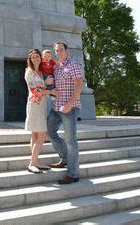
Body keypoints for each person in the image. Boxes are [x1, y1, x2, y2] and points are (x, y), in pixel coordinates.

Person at [47, 41, 83, 184]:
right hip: (56, 107)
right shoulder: (56, 68)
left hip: (70, 108)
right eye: (56, 50)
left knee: (70, 140)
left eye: (61, 50)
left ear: (66, 51)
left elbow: (79, 85)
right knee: (50, 132)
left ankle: (73, 174)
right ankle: (65, 158)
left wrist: (69, 104)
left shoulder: (73, 65)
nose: (59, 52)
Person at [25, 49, 59, 174]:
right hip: (35, 105)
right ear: (30, 59)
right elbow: (35, 91)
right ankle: (32, 163)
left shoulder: (40, 72)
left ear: (41, 57)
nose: (35, 59)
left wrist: (47, 85)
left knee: (35, 135)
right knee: (42, 134)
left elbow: (42, 87)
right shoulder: (29, 72)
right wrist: (50, 91)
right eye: (33, 57)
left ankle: (36, 161)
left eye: (37, 56)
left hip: (41, 105)